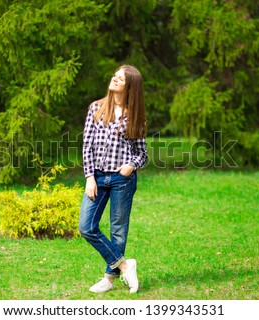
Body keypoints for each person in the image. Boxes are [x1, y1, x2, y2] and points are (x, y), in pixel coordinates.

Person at [79, 65, 148, 294]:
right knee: (86, 227)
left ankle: (109, 279)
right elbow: (87, 145)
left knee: (118, 230)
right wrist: (90, 177)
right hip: (97, 176)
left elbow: (142, 154)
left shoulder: (135, 115)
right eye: (115, 75)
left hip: (122, 180)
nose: (115, 79)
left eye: (121, 78)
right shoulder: (96, 108)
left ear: (130, 87)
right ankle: (126, 265)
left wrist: (131, 165)